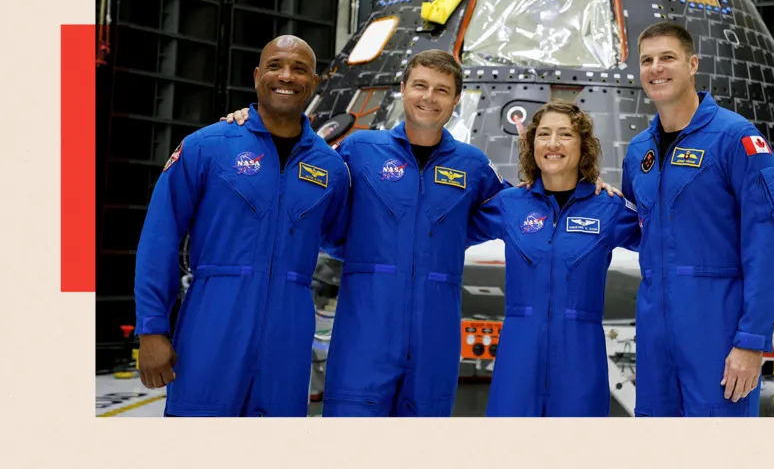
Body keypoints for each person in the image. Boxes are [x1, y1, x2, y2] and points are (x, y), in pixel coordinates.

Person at [223, 49, 622, 416]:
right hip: (365, 336)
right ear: (403, 89)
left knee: (424, 456)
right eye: (420, 86)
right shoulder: (359, 149)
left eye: (442, 90)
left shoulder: (472, 166)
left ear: (456, 100)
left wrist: (589, 188)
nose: (429, 97)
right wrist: (254, 122)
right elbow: (305, 177)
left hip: (433, 341)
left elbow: (529, 206)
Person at [133, 35, 352, 417]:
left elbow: (346, 240)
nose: (286, 76)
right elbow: (159, 239)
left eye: (300, 69)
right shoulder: (207, 147)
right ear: (256, 76)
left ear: (314, 82)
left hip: (288, 337)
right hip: (211, 324)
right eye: (275, 66)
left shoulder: (331, 169)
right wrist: (151, 329)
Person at [621, 22, 774, 418]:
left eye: (667, 57)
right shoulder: (639, 151)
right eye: (646, 60)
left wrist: (751, 341)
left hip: (717, 330)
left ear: (693, 64)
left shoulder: (735, 139)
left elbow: (767, 248)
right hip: (655, 334)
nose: (655, 68)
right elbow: (637, 228)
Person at [467, 101, 641, 417]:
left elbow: (665, 242)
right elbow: (447, 229)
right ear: (532, 144)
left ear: (583, 146)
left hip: (581, 358)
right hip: (518, 358)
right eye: (544, 134)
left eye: (565, 134)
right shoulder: (509, 204)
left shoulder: (609, 207)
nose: (553, 143)